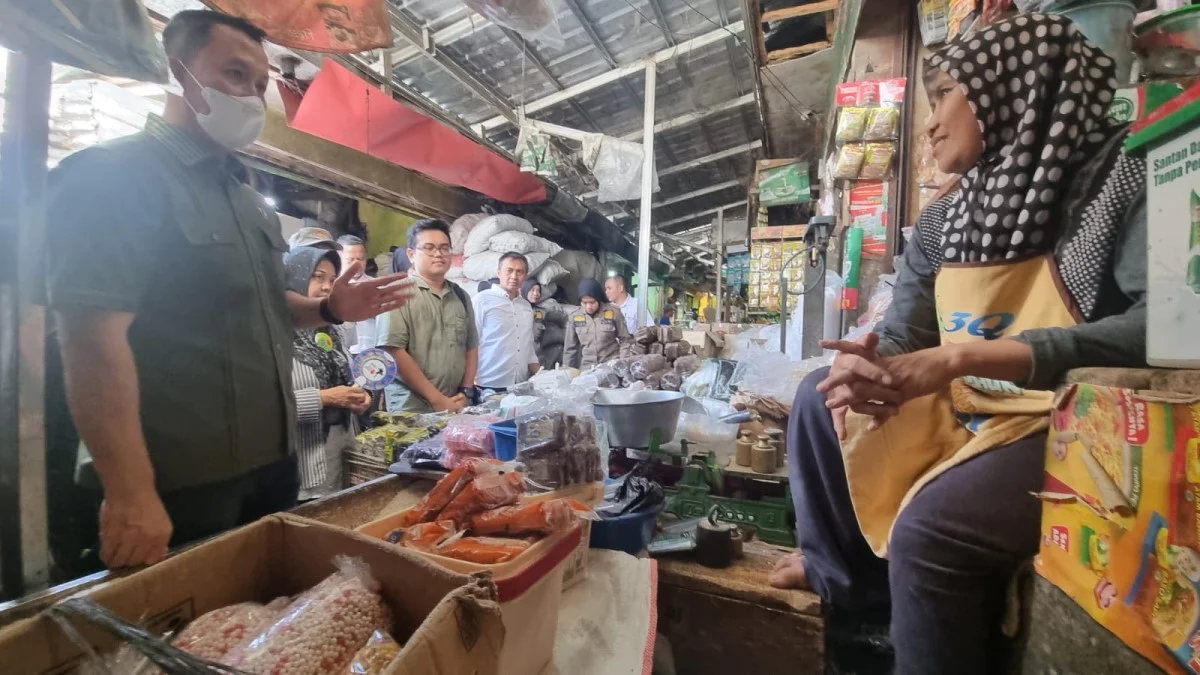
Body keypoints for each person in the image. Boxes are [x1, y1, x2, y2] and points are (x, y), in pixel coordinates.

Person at [769, 14, 1147, 674]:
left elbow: (1159, 329)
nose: (932, 121)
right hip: (972, 412)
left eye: (946, 94)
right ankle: (853, 596)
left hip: (1066, 427)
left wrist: (966, 356)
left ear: (1012, 90)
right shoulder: (949, 216)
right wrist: (872, 367)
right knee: (816, 400)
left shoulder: (1119, 179)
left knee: (930, 531)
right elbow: (906, 333)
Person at [42, 9, 411, 573]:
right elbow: (90, 342)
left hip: (272, 469)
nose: (251, 96)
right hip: (180, 482)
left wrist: (327, 307)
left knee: (266, 629)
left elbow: (261, 306)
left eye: (260, 84)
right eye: (235, 75)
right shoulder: (111, 177)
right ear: (177, 72)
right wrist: (130, 492)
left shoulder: (243, 199)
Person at [285, 247, 371, 501]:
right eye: (317, 277)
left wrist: (358, 396)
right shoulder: (277, 338)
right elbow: (265, 409)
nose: (326, 287)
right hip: (302, 473)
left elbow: (345, 381)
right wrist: (325, 398)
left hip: (340, 460)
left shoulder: (332, 331)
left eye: (332, 281)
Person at [376, 219, 478, 413]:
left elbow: (471, 347)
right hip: (412, 408)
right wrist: (437, 399)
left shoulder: (461, 296)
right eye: (429, 248)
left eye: (444, 248)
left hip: (455, 403)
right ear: (411, 254)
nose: (438, 254)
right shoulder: (396, 293)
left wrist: (466, 391)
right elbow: (394, 351)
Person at [472, 252, 540, 397]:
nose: (514, 276)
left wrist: (542, 375)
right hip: (488, 384)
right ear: (498, 272)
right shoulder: (482, 301)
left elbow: (527, 347)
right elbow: (470, 343)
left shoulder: (526, 307)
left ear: (525, 276)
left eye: (520, 272)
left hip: (519, 385)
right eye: (509, 270)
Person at [564, 279, 630, 368]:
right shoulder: (575, 317)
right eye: (584, 303)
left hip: (610, 365)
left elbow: (625, 340)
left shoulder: (613, 312)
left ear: (598, 299)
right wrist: (567, 370)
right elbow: (570, 348)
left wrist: (622, 363)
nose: (589, 306)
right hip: (587, 367)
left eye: (592, 302)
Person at [336, 234, 377, 355]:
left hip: (370, 352)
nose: (357, 265)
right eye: (351, 259)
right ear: (339, 257)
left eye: (361, 259)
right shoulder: (328, 287)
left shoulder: (377, 285)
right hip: (339, 351)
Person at [521, 279, 574, 370]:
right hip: (521, 353)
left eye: (538, 291)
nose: (536, 293)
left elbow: (562, 318)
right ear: (525, 291)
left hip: (537, 354)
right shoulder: (518, 310)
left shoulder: (541, 311)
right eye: (532, 290)